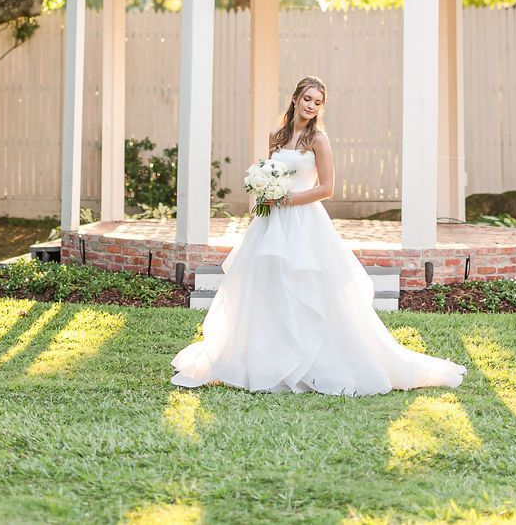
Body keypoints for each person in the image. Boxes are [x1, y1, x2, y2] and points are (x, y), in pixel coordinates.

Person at [170, 75, 467, 395]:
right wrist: (263, 197)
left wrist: (287, 200)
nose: (311, 106)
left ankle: (312, 361)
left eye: (318, 102)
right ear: (295, 98)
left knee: (307, 288)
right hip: (271, 223)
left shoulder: (319, 140)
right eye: (307, 98)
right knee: (267, 286)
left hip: (304, 221)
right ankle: (265, 359)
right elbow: (271, 174)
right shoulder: (277, 135)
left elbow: (327, 188)